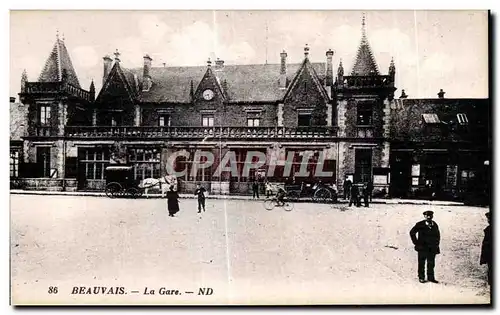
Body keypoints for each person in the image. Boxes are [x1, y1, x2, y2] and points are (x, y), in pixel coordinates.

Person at [409, 211, 441, 283]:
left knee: (431, 263)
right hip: (422, 248)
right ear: (424, 216)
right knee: (421, 263)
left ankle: (431, 277)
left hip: (432, 248)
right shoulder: (420, 224)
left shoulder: (434, 224)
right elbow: (412, 232)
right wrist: (416, 243)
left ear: (432, 216)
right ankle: (421, 277)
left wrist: (436, 245)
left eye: (430, 215)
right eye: (427, 216)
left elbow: (438, 236)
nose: (429, 217)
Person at [480, 212, 491, 286]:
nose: (488, 220)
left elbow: (486, 245)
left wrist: (484, 257)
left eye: (488, 219)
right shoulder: (488, 229)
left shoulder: (489, 230)